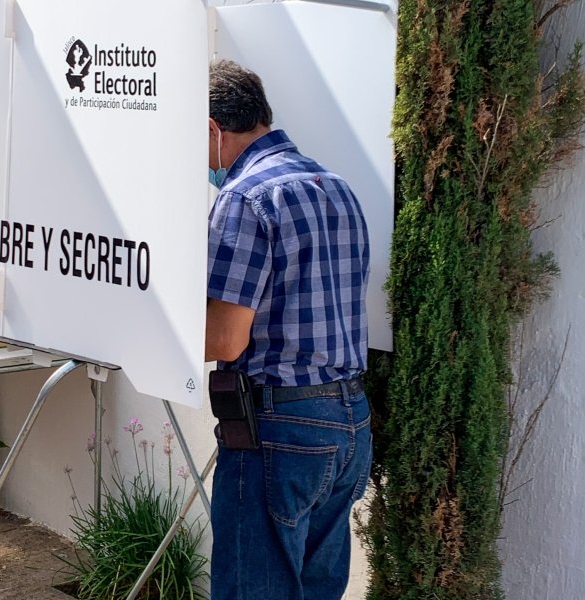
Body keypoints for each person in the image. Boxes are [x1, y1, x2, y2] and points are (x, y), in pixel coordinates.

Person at [204, 59, 372, 600]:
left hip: (280, 430)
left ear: (212, 130)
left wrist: (145, 327)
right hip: (348, 425)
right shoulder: (338, 188)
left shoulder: (243, 198)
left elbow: (227, 338)